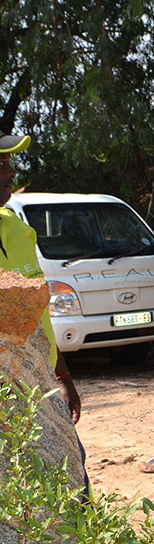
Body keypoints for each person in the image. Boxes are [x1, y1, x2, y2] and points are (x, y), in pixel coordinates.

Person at [0, 133, 81, 423]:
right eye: (1, 164)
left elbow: (37, 317)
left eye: (10, 163)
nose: (12, 172)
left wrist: (63, 376)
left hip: (41, 384)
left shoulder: (18, 228)